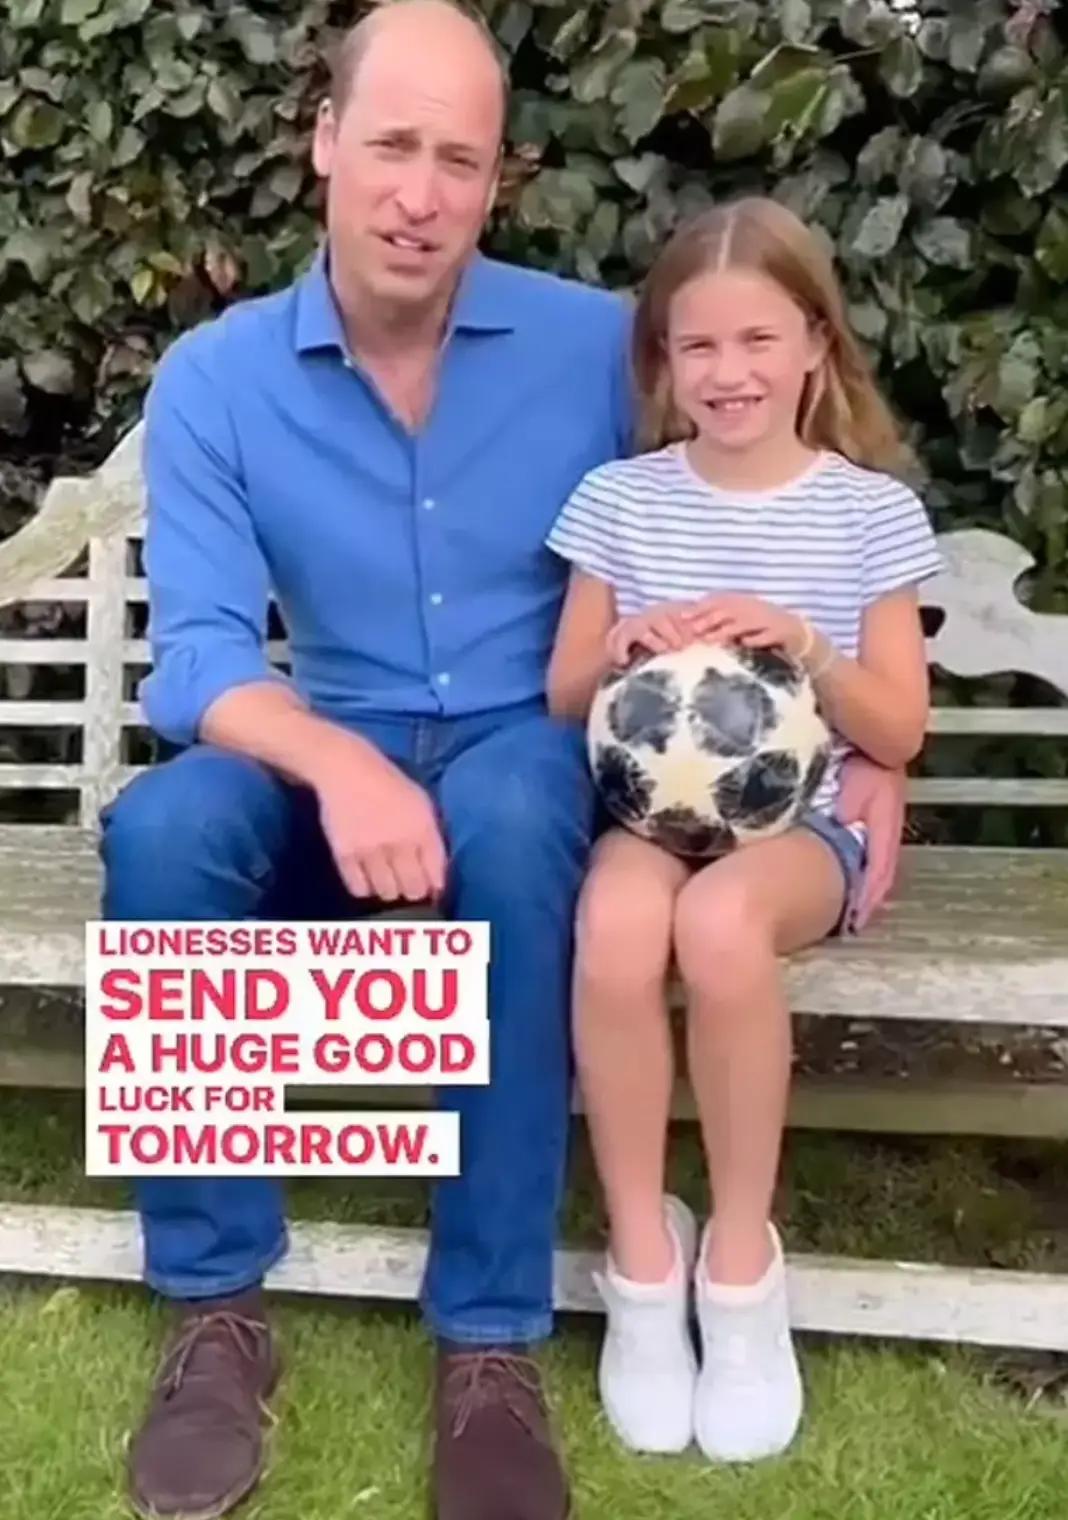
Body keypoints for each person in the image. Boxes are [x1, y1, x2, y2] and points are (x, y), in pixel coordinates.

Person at [97, 0, 911, 1511]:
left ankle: (489, 1338)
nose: (420, 192)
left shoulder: (595, 346)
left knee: (526, 821)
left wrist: (863, 753)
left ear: (496, 180)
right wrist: (340, 768)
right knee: (161, 834)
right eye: (392, 144)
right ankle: (215, 1311)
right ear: (326, 143)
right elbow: (202, 660)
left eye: (457, 159)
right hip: (321, 757)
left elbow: (761, 503)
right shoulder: (217, 378)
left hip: (527, 748)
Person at [543, 196, 942, 1466]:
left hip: (802, 829)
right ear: (662, 363)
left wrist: (807, 642)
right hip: (652, 817)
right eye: (698, 347)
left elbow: (902, 725)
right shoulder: (620, 500)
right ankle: (645, 1269)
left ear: (817, 345)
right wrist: (616, 646)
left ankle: (742, 1264)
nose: (731, 373)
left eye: (760, 340)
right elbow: (562, 692)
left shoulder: (869, 514)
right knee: (614, 921)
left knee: (719, 927)